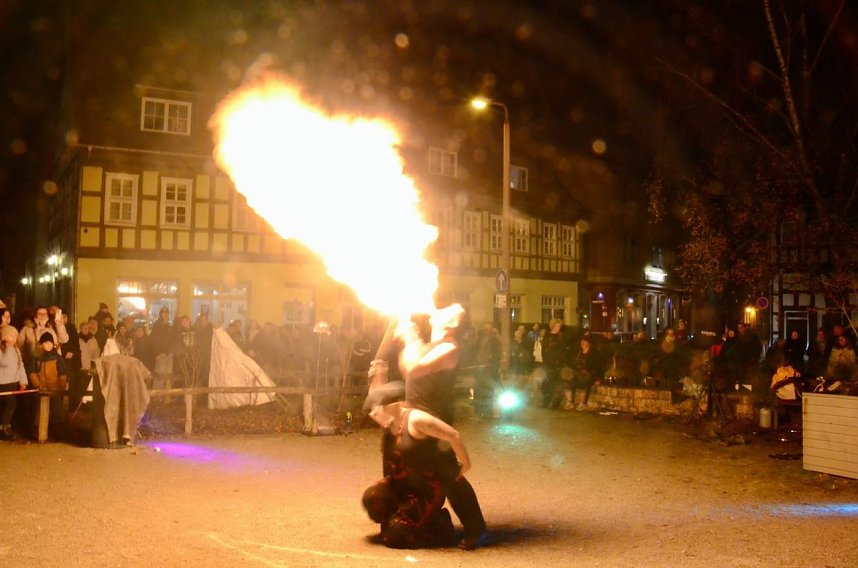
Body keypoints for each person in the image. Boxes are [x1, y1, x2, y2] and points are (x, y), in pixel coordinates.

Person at [397, 304, 487, 550]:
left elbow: (413, 370)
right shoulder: (428, 345)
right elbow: (407, 368)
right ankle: (414, 521)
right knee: (417, 470)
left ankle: (476, 529)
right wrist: (411, 339)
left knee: (449, 475)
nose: (440, 307)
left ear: (453, 323)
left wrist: (411, 339)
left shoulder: (449, 348)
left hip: (433, 420)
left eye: (450, 309)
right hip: (415, 417)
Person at [362, 400, 466, 549]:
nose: (374, 413)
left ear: (392, 405)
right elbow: (378, 393)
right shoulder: (391, 423)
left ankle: (440, 526)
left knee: (396, 535)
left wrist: (465, 463)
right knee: (371, 497)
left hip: (426, 488)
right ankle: (395, 522)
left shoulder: (416, 419)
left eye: (379, 408)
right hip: (402, 482)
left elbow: (452, 434)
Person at [0, 326, 28, 440]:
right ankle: (5, 427)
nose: (15, 338)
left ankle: (6, 426)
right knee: (10, 404)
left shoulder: (16, 350)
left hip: (13, 382)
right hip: (2, 382)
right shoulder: (1, 350)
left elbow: (21, 366)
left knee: (10, 405)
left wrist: (23, 381)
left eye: (16, 336)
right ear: (5, 337)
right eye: (12, 335)